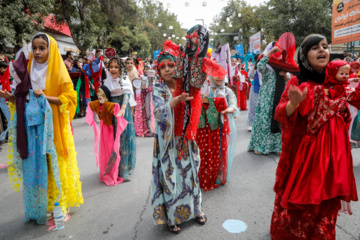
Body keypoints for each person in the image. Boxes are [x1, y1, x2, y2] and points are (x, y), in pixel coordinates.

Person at [270, 34, 360, 240]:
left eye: (325, 46)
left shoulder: (340, 80)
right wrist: (293, 103)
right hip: (304, 155)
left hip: (333, 158)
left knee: (325, 201)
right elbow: (280, 112)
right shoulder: (298, 80)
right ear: (304, 55)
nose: (321, 50)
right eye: (314, 48)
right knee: (299, 201)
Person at [1, 33, 83, 222]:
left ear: (50, 50)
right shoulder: (28, 70)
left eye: (42, 48)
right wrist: (11, 97)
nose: (37, 52)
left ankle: (59, 203)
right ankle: (42, 204)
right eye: (34, 48)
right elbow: (24, 99)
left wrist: (45, 97)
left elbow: (70, 99)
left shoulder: (58, 70)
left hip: (52, 125)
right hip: (31, 128)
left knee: (53, 164)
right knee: (37, 167)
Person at [151, 51, 207, 233]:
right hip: (168, 141)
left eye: (171, 65)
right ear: (159, 71)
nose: (167, 69)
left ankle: (197, 210)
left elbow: (197, 103)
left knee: (191, 172)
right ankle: (172, 217)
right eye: (163, 67)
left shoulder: (186, 85)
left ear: (177, 66)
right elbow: (159, 113)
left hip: (185, 139)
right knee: (170, 176)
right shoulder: (158, 88)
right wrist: (175, 101)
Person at [197, 73, 240, 191]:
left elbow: (233, 105)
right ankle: (206, 173)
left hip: (221, 125)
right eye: (216, 75)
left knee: (220, 149)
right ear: (211, 77)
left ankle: (217, 173)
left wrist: (228, 110)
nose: (219, 77)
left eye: (221, 74)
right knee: (207, 150)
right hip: (207, 127)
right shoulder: (206, 89)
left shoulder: (228, 91)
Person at [86, 85, 128, 186]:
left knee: (111, 150)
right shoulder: (96, 104)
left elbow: (116, 107)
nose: (100, 97)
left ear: (106, 96)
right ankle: (104, 171)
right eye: (98, 95)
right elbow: (90, 106)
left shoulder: (109, 105)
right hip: (103, 129)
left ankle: (112, 174)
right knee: (103, 151)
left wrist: (119, 110)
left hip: (109, 130)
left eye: (102, 95)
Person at [103, 57, 137, 182]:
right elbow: (105, 96)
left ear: (120, 69)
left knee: (123, 141)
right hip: (112, 113)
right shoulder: (108, 80)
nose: (113, 69)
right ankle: (114, 169)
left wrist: (122, 109)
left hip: (123, 113)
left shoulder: (124, 80)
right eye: (111, 67)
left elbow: (127, 95)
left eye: (116, 67)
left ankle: (124, 171)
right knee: (112, 141)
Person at [247, 43, 282, 154]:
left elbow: (288, 77)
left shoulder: (281, 65)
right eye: (273, 50)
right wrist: (269, 54)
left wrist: (286, 75)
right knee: (263, 120)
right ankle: (260, 145)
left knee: (277, 119)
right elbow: (259, 67)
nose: (275, 53)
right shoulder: (265, 63)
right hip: (266, 96)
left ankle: (276, 146)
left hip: (278, 96)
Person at [246, 55, 261, 131]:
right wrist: (255, 67)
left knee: (261, 107)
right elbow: (250, 76)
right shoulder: (253, 68)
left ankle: (260, 124)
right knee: (252, 106)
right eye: (258, 60)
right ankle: (251, 124)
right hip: (254, 89)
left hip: (262, 89)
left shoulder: (265, 68)